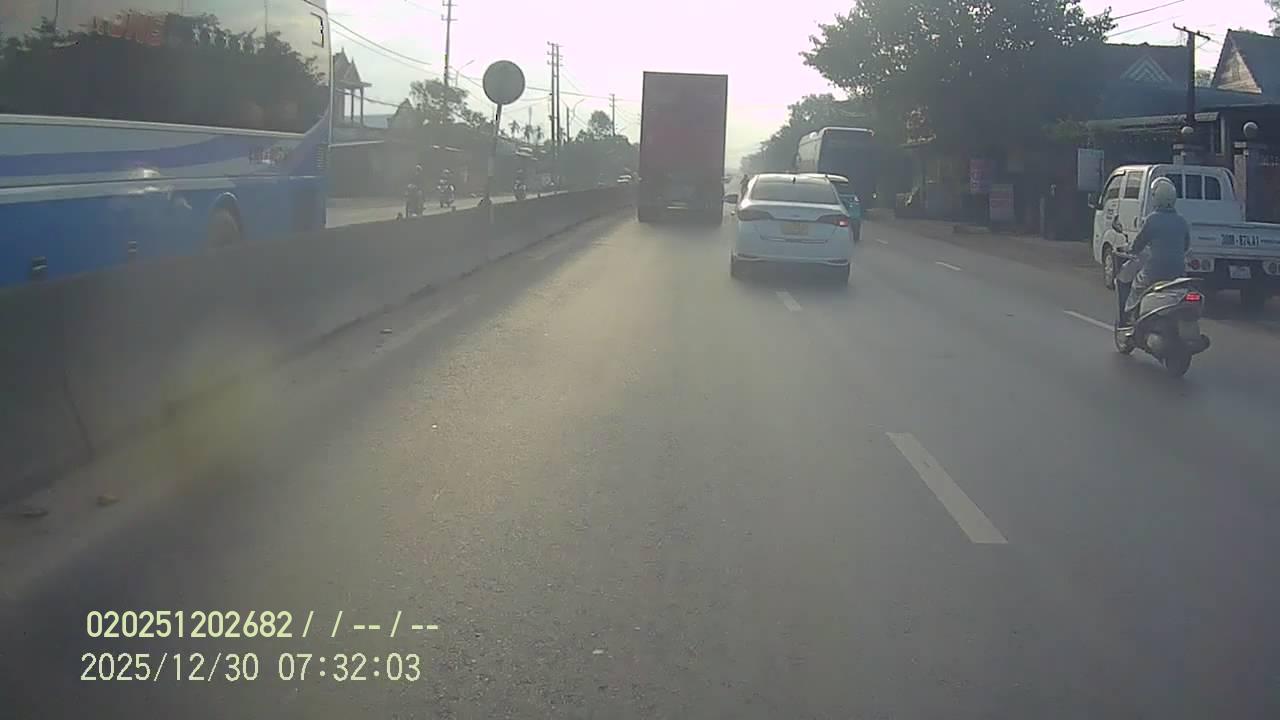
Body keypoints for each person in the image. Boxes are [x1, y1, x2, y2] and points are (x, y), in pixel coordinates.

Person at [1118, 177, 1190, 320]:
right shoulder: (1182, 221)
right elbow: (1186, 246)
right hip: (1178, 274)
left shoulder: (1152, 220)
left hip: (1154, 272)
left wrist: (1128, 249)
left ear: (1156, 198)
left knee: (1136, 286)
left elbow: (1137, 246)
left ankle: (1129, 317)